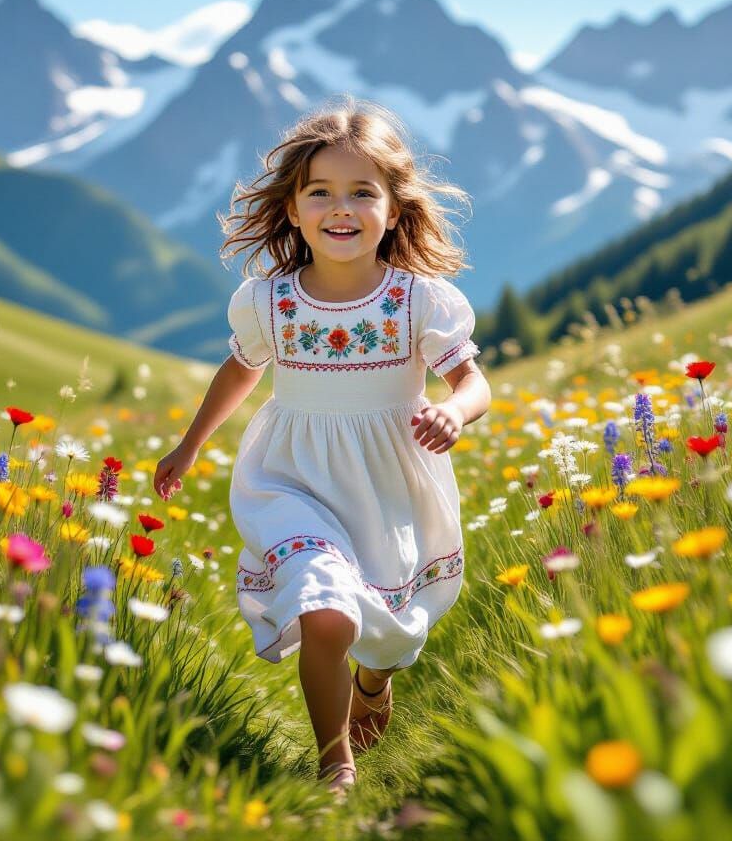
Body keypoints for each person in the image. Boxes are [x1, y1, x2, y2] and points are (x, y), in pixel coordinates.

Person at [153, 96, 491, 801]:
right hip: (292, 476)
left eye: (362, 192)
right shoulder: (269, 301)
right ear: (295, 210)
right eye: (321, 193)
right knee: (325, 608)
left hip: (387, 482)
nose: (341, 208)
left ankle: (375, 681)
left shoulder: (417, 300)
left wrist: (456, 414)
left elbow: (471, 379)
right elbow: (244, 368)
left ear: (394, 210)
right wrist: (189, 447)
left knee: (387, 636)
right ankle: (335, 764)